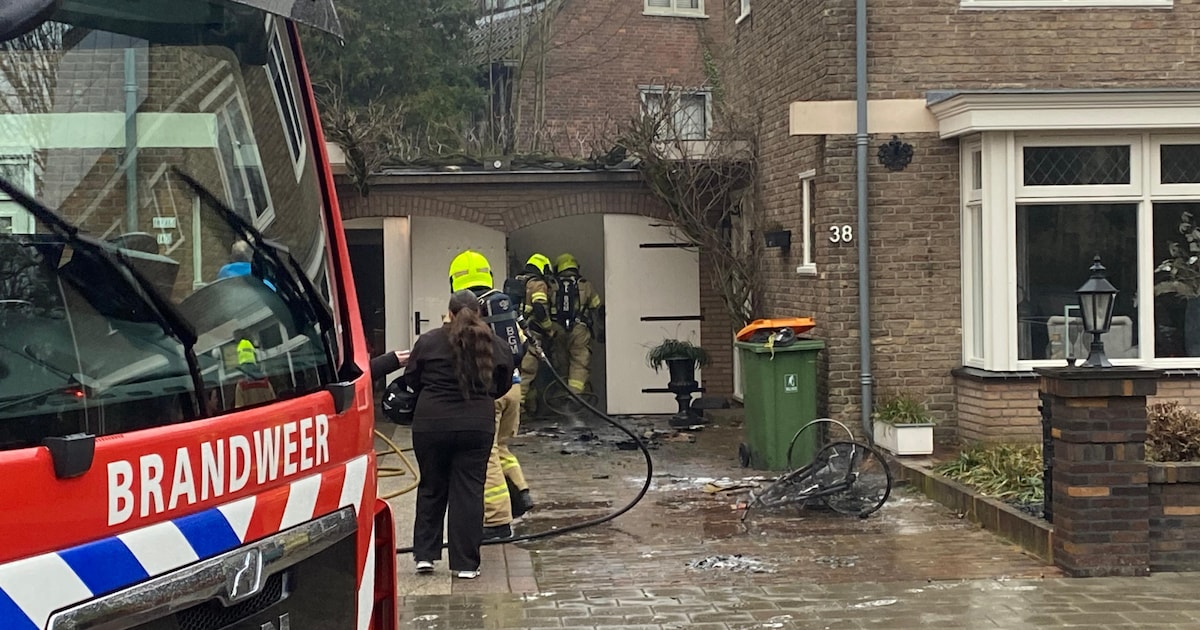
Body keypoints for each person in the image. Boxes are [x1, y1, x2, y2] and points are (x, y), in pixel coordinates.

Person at [404, 290, 515, 579]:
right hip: (476, 425)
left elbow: (411, 379)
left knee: (431, 486)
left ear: (449, 313)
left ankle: (425, 557)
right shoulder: (495, 344)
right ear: (478, 313)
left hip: (431, 424)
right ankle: (465, 564)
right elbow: (503, 382)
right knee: (468, 492)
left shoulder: (428, 342)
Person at [449, 250, 534, 541]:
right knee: (501, 446)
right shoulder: (503, 307)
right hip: (513, 386)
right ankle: (521, 492)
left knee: (486, 456)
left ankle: (497, 521)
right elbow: (521, 346)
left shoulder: (465, 313)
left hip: (489, 393)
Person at [553, 253, 603, 394]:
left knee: (561, 363)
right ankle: (574, 397)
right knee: (579, 363)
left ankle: (561, 396)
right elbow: (597, 307)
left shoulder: (553, 284)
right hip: (579, 330)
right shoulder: (585, 285)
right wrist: (600, 330)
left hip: (557, 330)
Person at [513, 253, 557, 415]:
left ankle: (528, 408)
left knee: (521, 371)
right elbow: (539, 308)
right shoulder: (538, 284)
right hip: (532, 333)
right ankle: (517, 411)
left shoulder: (518, 281)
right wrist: (548, 329)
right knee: (528, 372)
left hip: (515, 333)